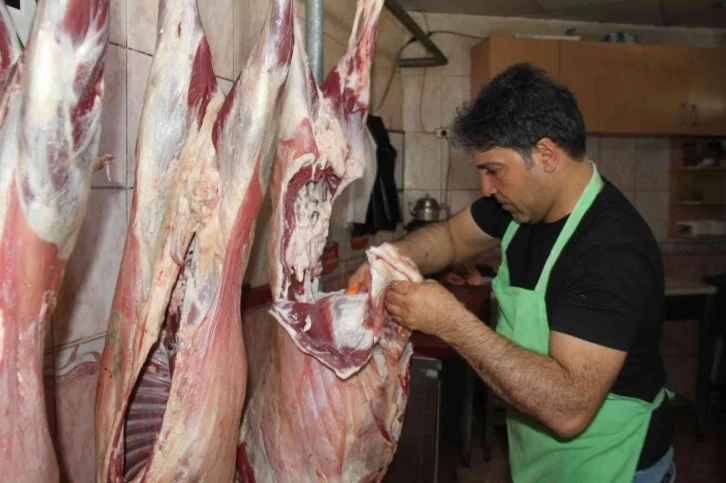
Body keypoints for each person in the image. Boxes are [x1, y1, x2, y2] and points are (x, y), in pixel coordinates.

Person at [348, 63, 675, 483]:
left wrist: (450, 321)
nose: (486, 188)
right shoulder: (517, 206)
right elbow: (448, 238)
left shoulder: (612, 249)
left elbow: (569, 407)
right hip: (542, 460)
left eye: (493, 170)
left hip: (613, 464)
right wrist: (388, 257)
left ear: (545, 154)